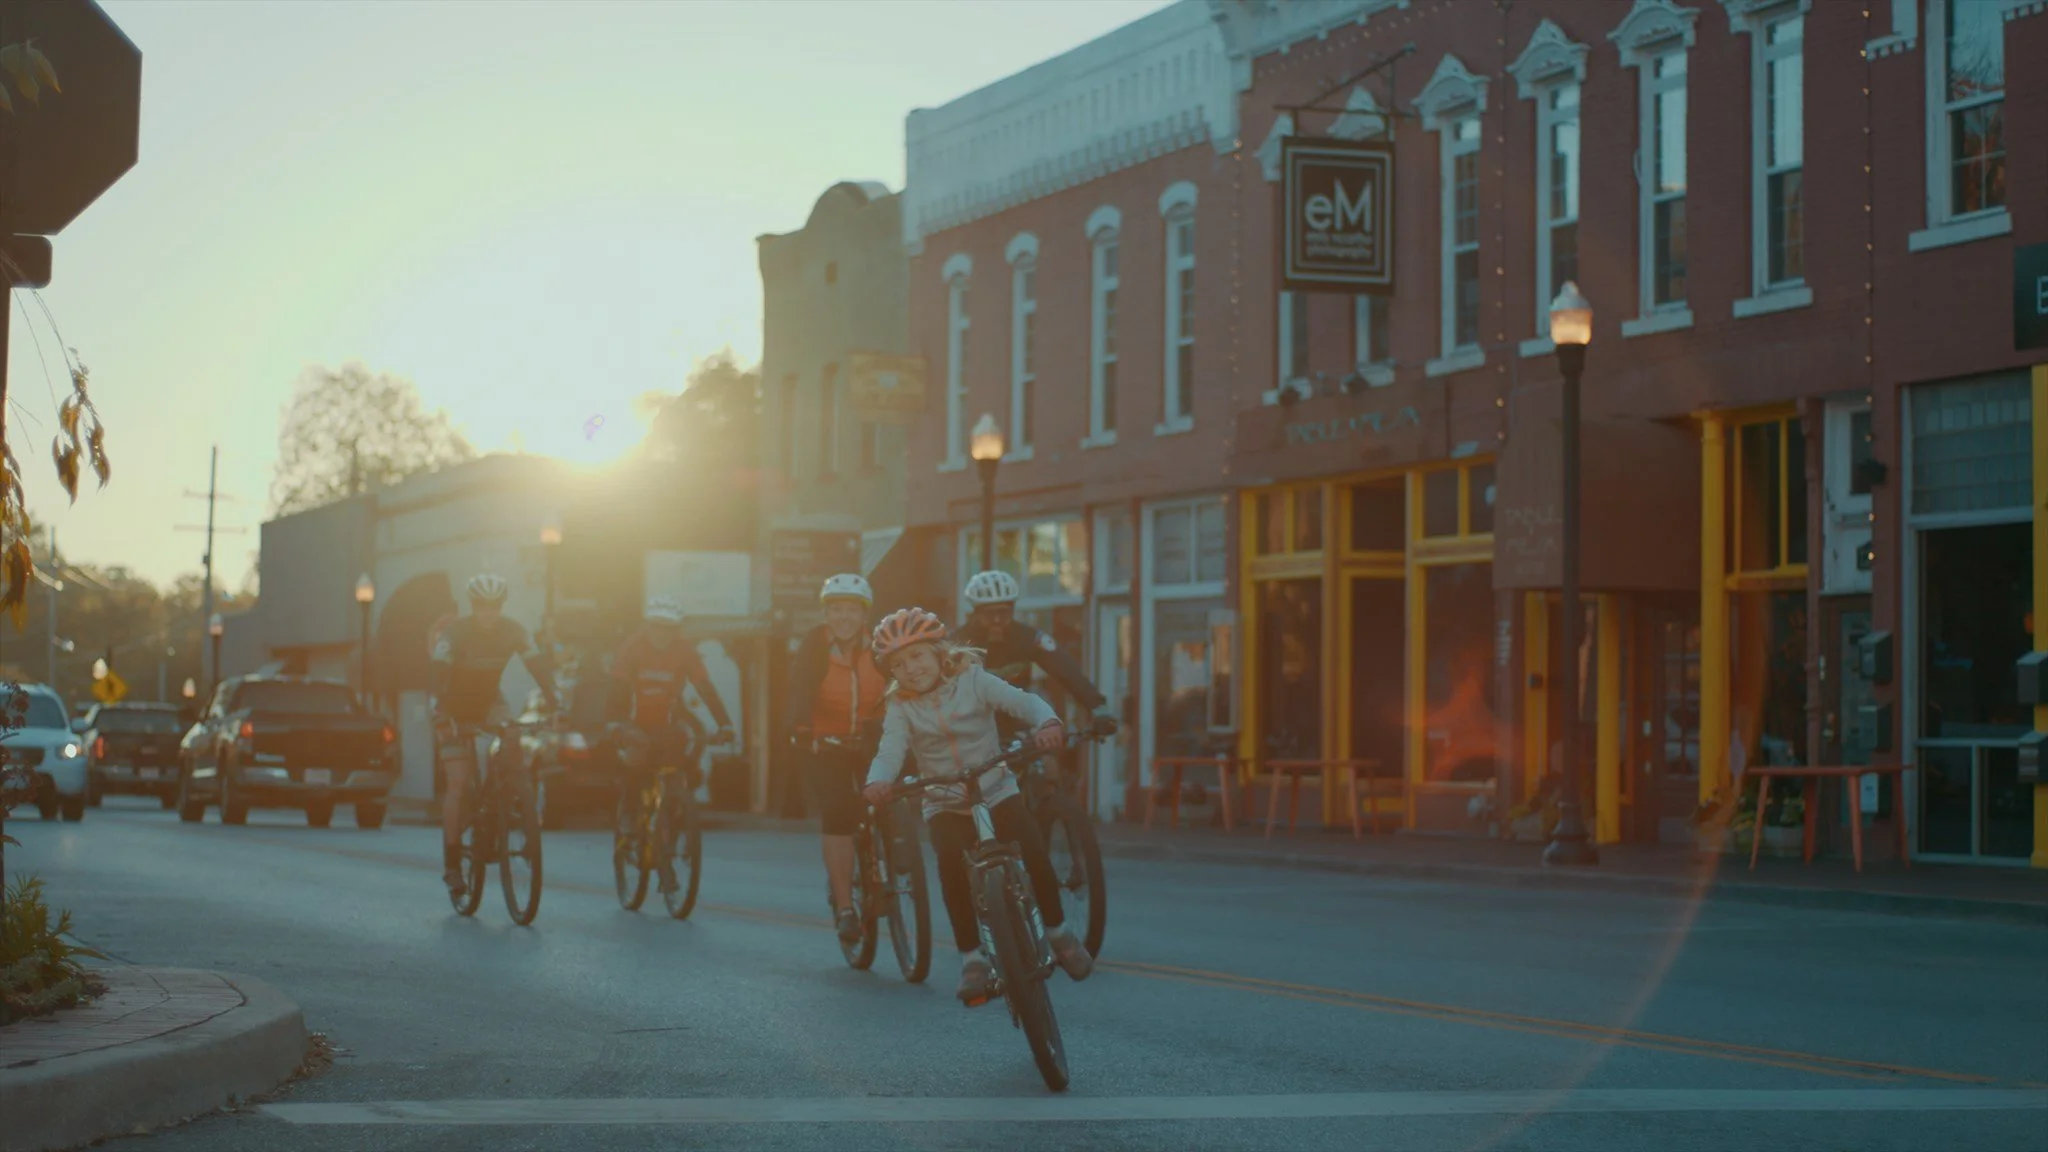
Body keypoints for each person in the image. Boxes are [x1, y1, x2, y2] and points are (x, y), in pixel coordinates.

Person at [859, 607, 1093, 1006]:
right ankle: (972, 959)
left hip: (995, 787)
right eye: (899, 663)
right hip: (945, 800)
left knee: (1033, 851)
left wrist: (1048, 723)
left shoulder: (973, 679)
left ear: (938, 652)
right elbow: (890, 750)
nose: (911, 668)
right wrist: (877, 781)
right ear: (891, 672)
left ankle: (1057, 932)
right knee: (951, 868)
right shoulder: (900, 706)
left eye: (917, 655)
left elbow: (1022, 702)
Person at [429, 572, 560, 898]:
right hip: (452, 706)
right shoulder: (455, 633)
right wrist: (443, 715)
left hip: (490, 702)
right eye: (482, 606)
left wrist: (556, 703)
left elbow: (537, 666)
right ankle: (452, 864)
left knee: (512, 740)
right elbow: (438, 677)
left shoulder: (512, 630)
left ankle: (508, 798)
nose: (489, 613)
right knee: (458, 785)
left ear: (501, 606)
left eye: (495, 606)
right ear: (472, 606)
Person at [787, 573, 887, 944]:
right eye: (836, 610)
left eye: (851, 610)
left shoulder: (880, 645)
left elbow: (902, 684)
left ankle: (891, 860)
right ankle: (846, 907)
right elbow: (798, 690)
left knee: (892, 795)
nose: (844, 617)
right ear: (826, 614)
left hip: (871, 740)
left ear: (864, 615)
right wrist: (801, 728)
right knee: (839, 810)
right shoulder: (815, 644)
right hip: (824, 743)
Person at [609, 596, 735, 812]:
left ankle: (679, 798)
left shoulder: (684, 650)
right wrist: (615, 721)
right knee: (637, 763)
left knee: (695, 739)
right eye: (657, 627)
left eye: (669, 628)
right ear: (648, 626)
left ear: (677, 629)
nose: (662, 633)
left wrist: (725, 724)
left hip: (669, 720)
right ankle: (628, 818)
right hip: (634, 718)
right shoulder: (632, 647)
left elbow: (705, 688)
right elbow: (615, 689)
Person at [956, 569, 1113, 730]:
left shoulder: (1028, 638)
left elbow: (1066, 670)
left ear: (1013, 609)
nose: (997, 620)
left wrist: (1097, 707)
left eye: (1003, 613)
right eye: (989, 614)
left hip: (1018, 726)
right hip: (971, 727)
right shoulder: (956, 642)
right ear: (976, 613)